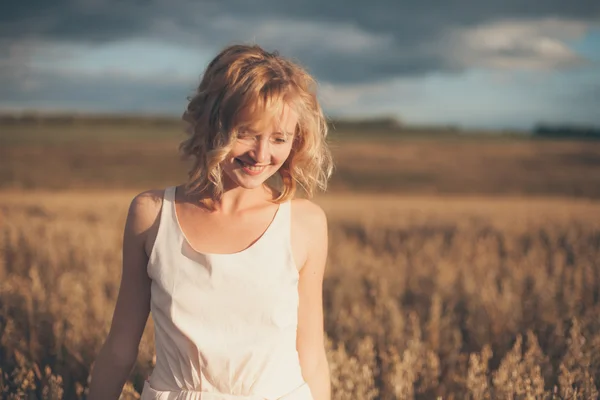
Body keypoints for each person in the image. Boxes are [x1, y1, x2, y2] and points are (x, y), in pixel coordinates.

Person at [88, 44, 333, 400]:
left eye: (279, 138)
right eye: (246, 133)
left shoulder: (305, 224)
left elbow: (311, 358)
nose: (261, 155)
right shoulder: (152, 214)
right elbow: (120, 348)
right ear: (212, 124)